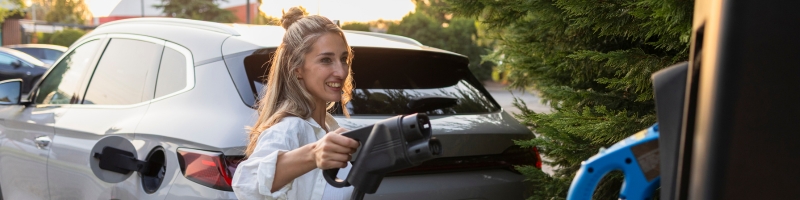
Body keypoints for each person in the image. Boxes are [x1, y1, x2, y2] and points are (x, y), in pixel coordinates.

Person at [232, 7, 360, 200]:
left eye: (343, 59)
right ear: (297, 69)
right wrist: (313, 154)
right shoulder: (289, 129)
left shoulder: (328, 129)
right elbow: (246, 183)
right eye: (326, 60)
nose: (341, 72)